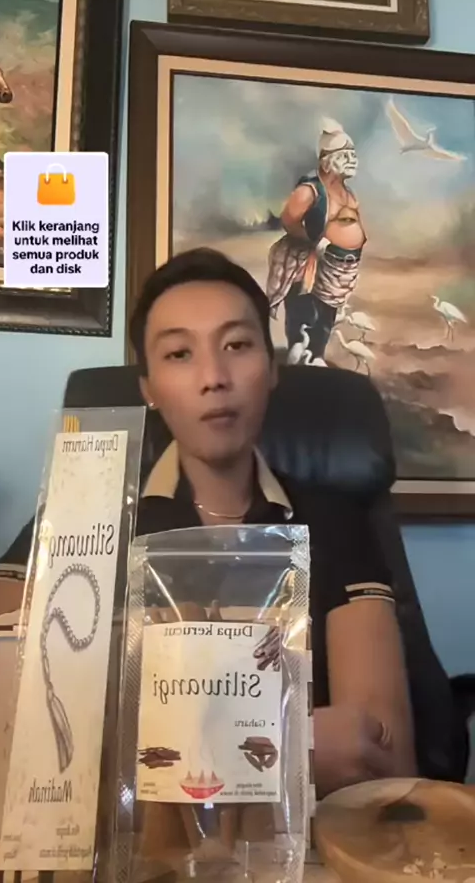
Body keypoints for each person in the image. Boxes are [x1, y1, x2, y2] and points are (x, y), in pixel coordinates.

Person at [129, 247, 417, 796]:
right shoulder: (93, 521)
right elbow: (28, 722)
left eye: (237, 345)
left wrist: (164, 748)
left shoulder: (336, 521)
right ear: (148, 388)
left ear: (271, 366)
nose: (214, 377)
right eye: (179, 354)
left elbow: (381, 758)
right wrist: (290, 744)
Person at [266, 119, 367, 363]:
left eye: (353, 155)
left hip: (339, 270)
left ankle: (317, 356)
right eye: (345, 155)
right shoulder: (309, 191)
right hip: (311, 265)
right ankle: (300, 358)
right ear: (327, 160)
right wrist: (314, 242)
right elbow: (289, 220)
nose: (352, 160)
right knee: (305, 314)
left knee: (326, 317)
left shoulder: (348, 193)